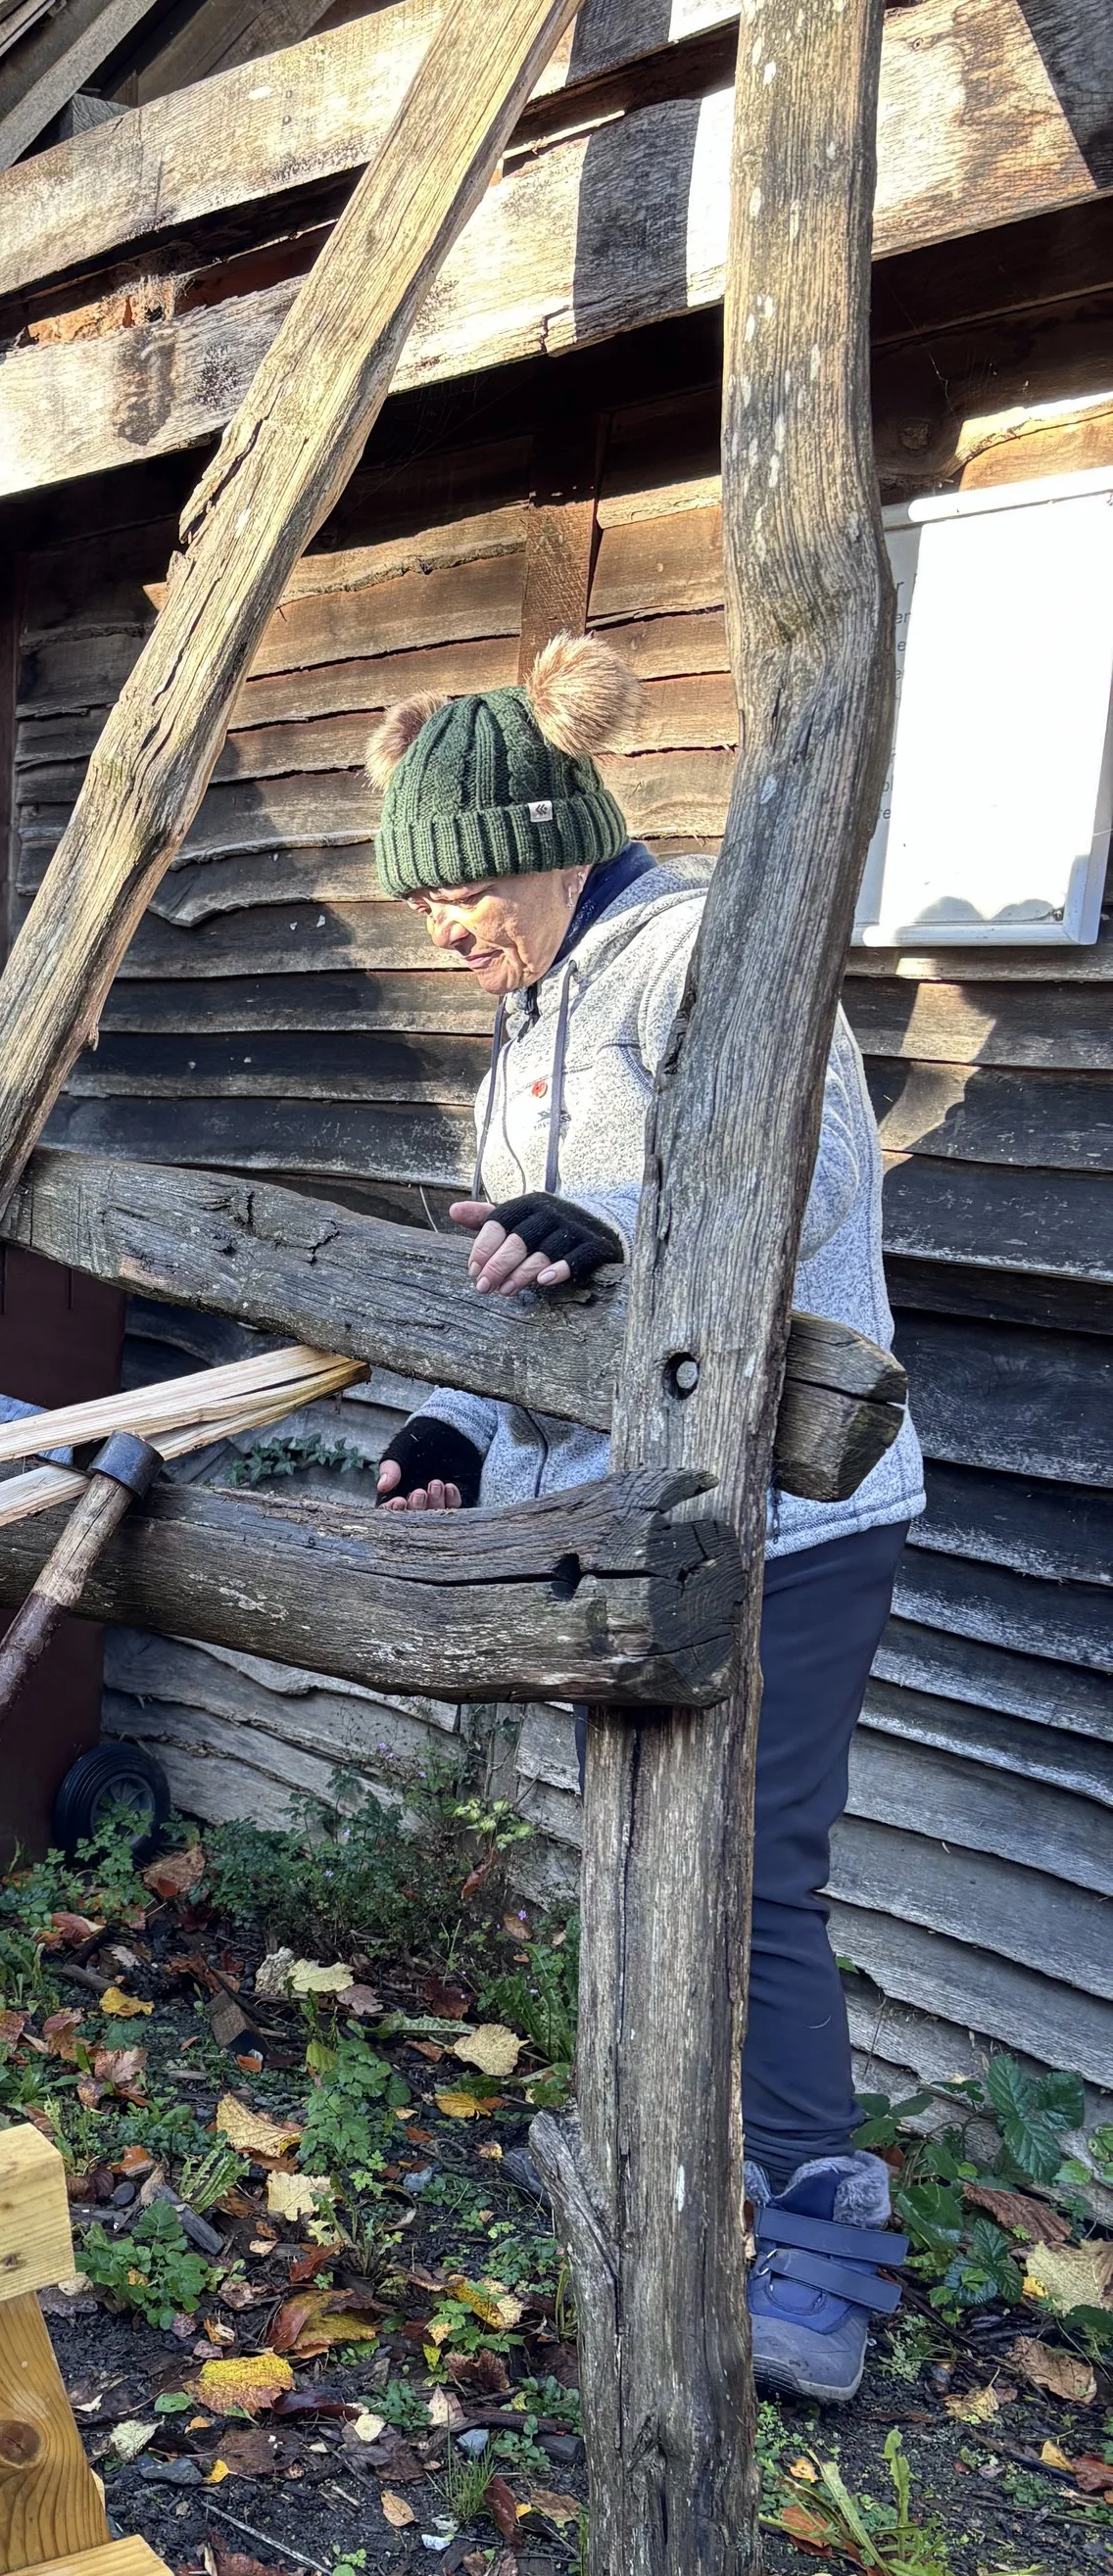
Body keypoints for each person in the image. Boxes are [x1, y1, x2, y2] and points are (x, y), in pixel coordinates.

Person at [363, 634, 924, 2406]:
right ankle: (678, 2170)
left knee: (752, 1865)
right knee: (642, 1844)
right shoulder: (525, 1019)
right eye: (423, 902)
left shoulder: (700, 952)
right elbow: (531, 1290)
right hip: (629, 1514)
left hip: (790, 1510)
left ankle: (824, 2228)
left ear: (548, 843)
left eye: (463, 891)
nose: (445, 929)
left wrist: (610, 1206)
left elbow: (815, 1169)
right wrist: (458, 1427)